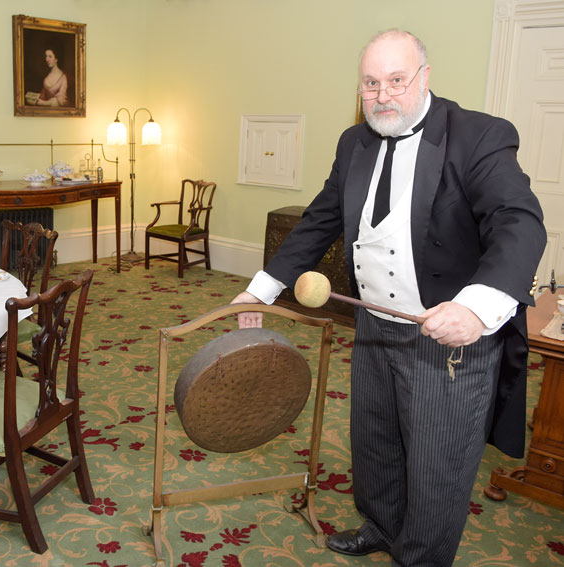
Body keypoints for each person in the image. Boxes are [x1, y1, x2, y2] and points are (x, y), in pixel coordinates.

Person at [232, 30, 545, 567]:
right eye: (371, 83)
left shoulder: (479, 135)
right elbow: (320, 220)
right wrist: (260, 288)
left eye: (397, 80)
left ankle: (420, 558)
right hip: (374, 325)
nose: (383, 95)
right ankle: (380, 525)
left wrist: (477, 306)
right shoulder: (353, 142)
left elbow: (518, 221)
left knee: (436, 463)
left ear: (424, 77)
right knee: (375, 441)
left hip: (446, 335)